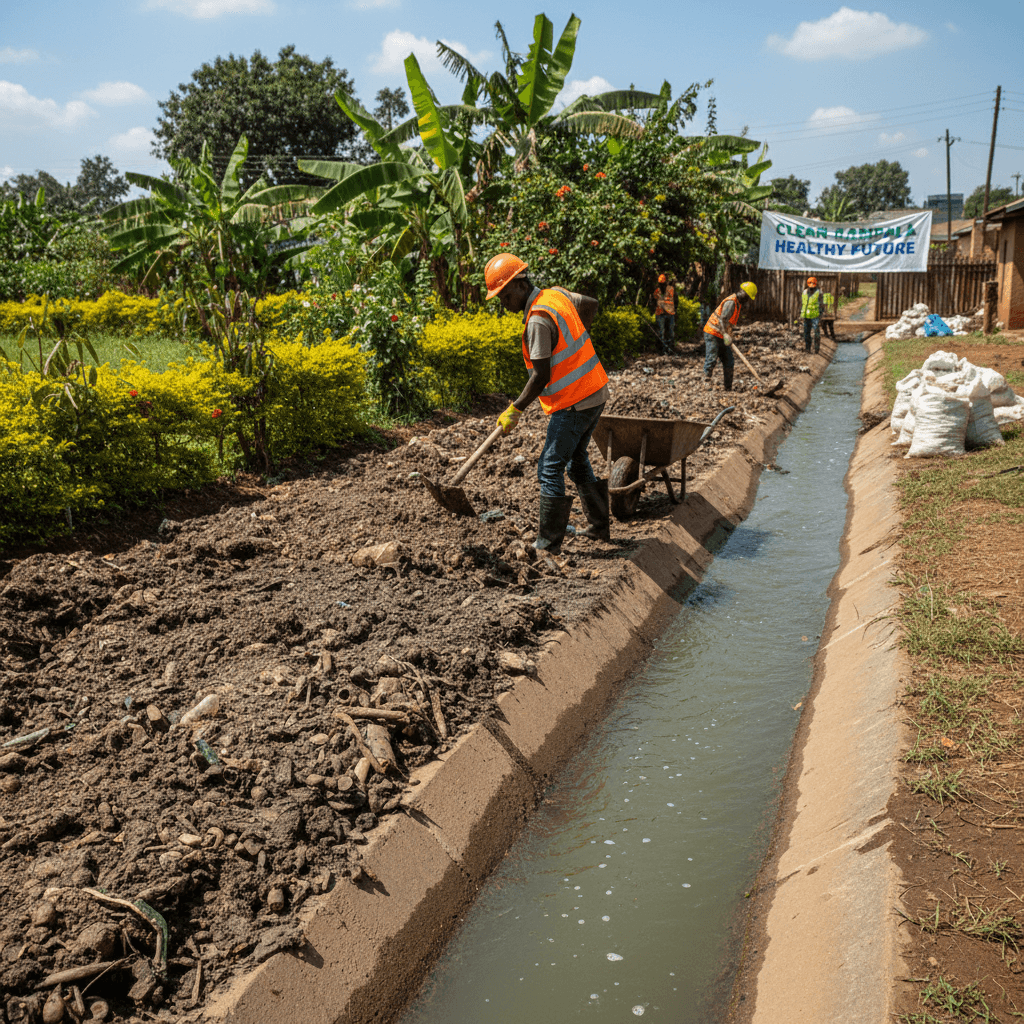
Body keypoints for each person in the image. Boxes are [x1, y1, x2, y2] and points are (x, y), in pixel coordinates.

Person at [484, 252, 611, 554]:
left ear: (518, 284)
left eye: (503, 296)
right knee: (577, 459)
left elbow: (540, 375)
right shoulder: (556, 295)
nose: (503, 304)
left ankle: (548, 544)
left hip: (574, 402)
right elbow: (590, 304)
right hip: (595, 391)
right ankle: (598, 526)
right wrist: (580, 340)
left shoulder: (537, 320)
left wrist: (515, 408)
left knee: (550, 468)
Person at [702, 282, 757, 389]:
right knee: (712, 357)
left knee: (729, 360)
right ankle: (706, 382)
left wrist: (729, 335)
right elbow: (722, 320)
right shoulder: (731, 302)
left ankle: (728, 387)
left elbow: (729, 324)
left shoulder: (737, 304)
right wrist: (725, 335)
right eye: (748, 297)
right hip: (713, 332)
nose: (748, 300)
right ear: (745, 294)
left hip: (721, 334)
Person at [652, 273, 676, 353]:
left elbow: (676, 301)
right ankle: (661, 350)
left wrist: (673, 310)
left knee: (670, 333)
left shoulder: (671, 289)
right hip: (660, 314)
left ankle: (670, 350)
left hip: (670, 314)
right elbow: (653, 302)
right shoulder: (656, 291)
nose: (661, 285)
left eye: (663, 283)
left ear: (666, 282)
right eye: (660, 284)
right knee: (660, 333)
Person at [801, 276, 822, 353]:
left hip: (815, 316)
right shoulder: (804, 292)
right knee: (806, 333)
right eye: (810, 283)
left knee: (816, 332)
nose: (812, 285)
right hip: (806, 316)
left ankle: (816, 349)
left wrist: (821, 315)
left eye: (813, 284)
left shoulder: (819, 292)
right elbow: (803, 303)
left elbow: (822, 304)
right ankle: (808, 348)